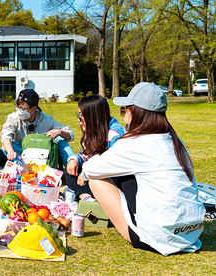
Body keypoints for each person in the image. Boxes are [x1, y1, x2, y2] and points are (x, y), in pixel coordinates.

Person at [78, 83, 205, 255]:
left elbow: (91, 169)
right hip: (192, 232)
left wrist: (85, 169)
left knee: (96, 179)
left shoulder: (135, 143)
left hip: (158, 237)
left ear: (135, 112)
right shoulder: (175, 140)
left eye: (125, 111)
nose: (124, 117)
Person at [66, 95, 125, 201]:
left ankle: (85, 195)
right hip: (95, 173)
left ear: (92, 116)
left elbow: (113, 164)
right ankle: (86, 197)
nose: (79, 120)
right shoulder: (94, 130)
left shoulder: (115, 135)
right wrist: (75, 159)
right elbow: (87, 154)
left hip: (111, 179)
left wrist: (87, 171)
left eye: (81, 116)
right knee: (70, 168)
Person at [1, 89, 75, 167]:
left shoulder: (46, 119)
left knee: (60, 140)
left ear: (34, 109)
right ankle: (16, 168)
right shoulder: (13, 117)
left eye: (23, 109)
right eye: (18, 107)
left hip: (43, 152)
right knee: (6, 146)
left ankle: (72, 166)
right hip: (22, 151)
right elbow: (6, 135)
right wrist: (11, 152)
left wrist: (60, 132)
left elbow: (70, 134)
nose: (19, 111)